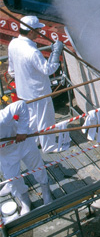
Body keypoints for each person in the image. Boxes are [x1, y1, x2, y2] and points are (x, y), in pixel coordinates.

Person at [8, 16, 64, 153]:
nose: (40, 32)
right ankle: (49, 146)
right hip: (38, 91)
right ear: (31, 31)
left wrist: (25, 79)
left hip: (24, 91)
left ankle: (33, 141)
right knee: (46, 118)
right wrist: (56, 52)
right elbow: (47, 70)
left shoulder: (13, 44)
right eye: (38, 30)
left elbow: (12, 71)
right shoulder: (32, 51)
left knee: (32, 118)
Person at [0, 100, 53, 215]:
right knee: (12, 178)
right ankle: (25, 200)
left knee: (37, 167)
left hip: (23, 144)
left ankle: (46, 190)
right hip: (5, 153)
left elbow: (21, 105)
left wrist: (22, 131)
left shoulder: (2, 117)